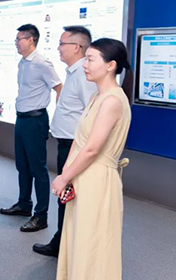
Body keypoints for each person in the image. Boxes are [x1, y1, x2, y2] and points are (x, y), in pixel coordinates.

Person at [53, 38, 132, 280]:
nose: (85, 65)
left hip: (97, 180)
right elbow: (79, 141)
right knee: (79, 238)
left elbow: (92, 149)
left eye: (90, 59)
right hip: (83, 176)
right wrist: (67, 174)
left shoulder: (112, 101)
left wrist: (63, 177)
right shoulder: (97, 97)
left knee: (92, 242)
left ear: (111, 65)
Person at [33, 26, 97, 257]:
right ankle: (63, 242)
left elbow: (93, 117)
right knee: (66, 197)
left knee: (68, 197)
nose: (58, 48)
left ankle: (64, 245)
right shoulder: (73, 72)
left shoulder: (84, 76)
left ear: (77, 47)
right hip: (67, 145)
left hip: (74, 147)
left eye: (62, 43)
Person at [0, 24, 62, 232]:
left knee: (38, 169)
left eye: (19, 39)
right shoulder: (23, 62)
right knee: (22, 165)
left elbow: (59, 88)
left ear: (31, 40)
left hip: (36, 121)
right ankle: (24, 204)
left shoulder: (42, 63)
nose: (16, 43)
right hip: (22, 120)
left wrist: (60, 116)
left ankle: (41, 216)